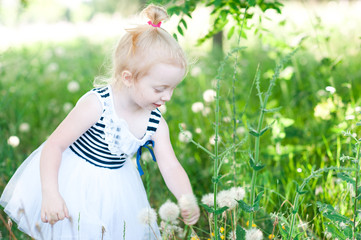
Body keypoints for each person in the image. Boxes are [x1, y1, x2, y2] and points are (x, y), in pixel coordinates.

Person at [0, 4, 200, 239]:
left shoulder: (155, 122)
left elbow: (171, 166)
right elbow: (55, 145)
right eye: (159, 88)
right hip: (74, 183)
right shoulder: (98, 105)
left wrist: (187, 199)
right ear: (128, 78)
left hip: (118, 190)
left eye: (172, 88)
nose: (167, 97)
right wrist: (51, 192)